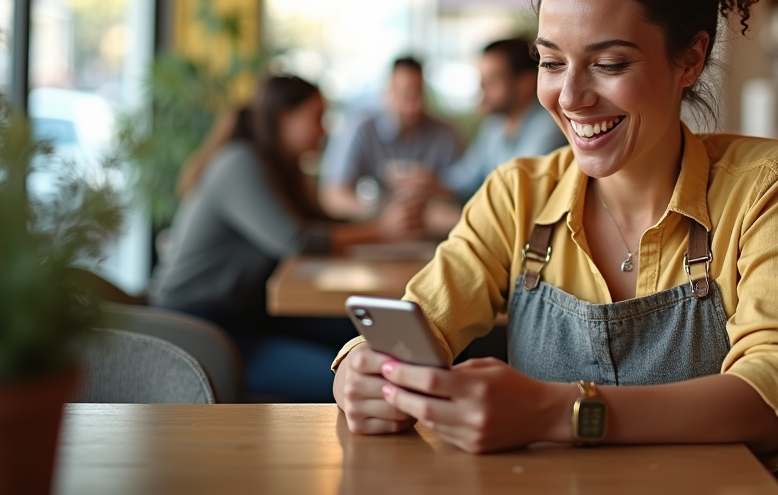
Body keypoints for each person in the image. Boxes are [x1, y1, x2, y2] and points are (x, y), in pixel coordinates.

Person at [331, 0, 778, 494]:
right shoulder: (517, 195)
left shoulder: (767, 186)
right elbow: (418, 319)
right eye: (551, 62)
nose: (570, 97)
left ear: (689, 58)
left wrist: (560, 412)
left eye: (609, 64)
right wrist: (357, 370)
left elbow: (775, 394)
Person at [152, 74, 422, 402]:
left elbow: (318, 223)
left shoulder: (278, 165)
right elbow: (297, 241)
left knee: (363, 335)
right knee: (347, 379)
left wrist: (382, 217)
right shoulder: (241, 162)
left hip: (249, 315)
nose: (324, 130)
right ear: (283, 117)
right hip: (203, 330)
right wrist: (382, 229)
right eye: (316, 118)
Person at [319, 56, 461, 221]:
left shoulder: (445, 134)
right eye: (406, 95)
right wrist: (383, 214)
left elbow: (464, 194)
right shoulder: (361, 128)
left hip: (431, 231)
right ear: (388, 93)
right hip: (373, 232)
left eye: (419, 94)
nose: (414, 104)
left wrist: (434, 186)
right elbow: (332, 197)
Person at [440, 38, 566, 204]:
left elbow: (516, 200)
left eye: (491, 81)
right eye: (481, 80)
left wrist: (452, 218)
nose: (481, 89)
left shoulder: (549, 127)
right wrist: (428, 183)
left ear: (525, 84)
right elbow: (467, 178)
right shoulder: (495, 124)